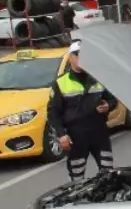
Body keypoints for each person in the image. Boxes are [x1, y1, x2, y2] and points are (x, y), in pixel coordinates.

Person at [48, 40, 117, 181]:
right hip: (76, 135)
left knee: (109, 175)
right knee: (77, 179)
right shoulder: (61, 83)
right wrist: (61, 135)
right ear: (70, 57)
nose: (81, 58)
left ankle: (107, 201)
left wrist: (108, 106)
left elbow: (112, 100)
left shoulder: (98, 78)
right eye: (77, 55)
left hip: (99, 132)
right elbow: (53, 113)